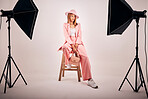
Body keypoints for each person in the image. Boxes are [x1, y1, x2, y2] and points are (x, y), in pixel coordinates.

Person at [58, 9, 98, 89]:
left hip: (78, 43)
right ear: (69, 16)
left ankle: (89, 79)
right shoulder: (65, 25)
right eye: (71, 16)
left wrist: (76, 44)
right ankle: (68, 62)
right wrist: (72, 45)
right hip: (69, 42)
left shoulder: (78, 25)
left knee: (85, 57)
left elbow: (80, 35)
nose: (73, 17)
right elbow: (66, 36)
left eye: (74, 16)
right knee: (65, 47)